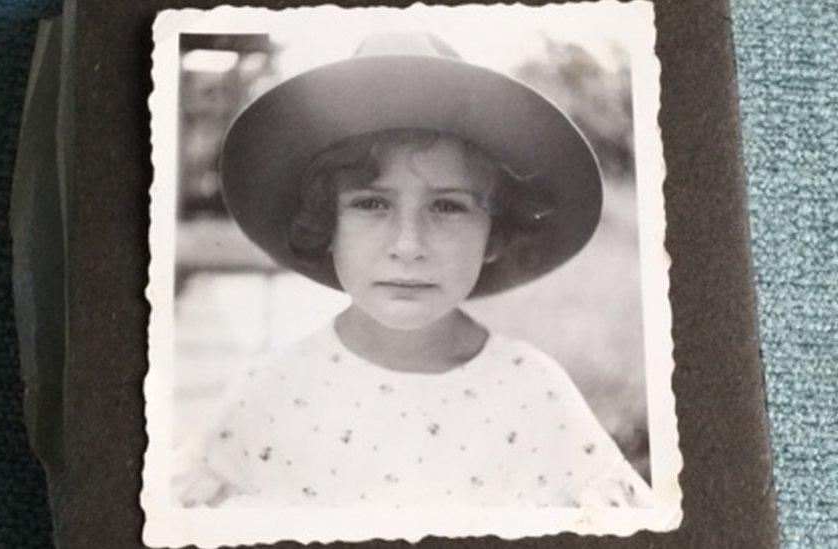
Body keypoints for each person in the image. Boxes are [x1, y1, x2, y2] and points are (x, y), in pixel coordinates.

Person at [176, 33, 652, 509]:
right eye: (371, 203)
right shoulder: (268, 394)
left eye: (447, 206)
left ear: (496, 231)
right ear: (326, 223)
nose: (408, 246)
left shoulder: (535, 395)